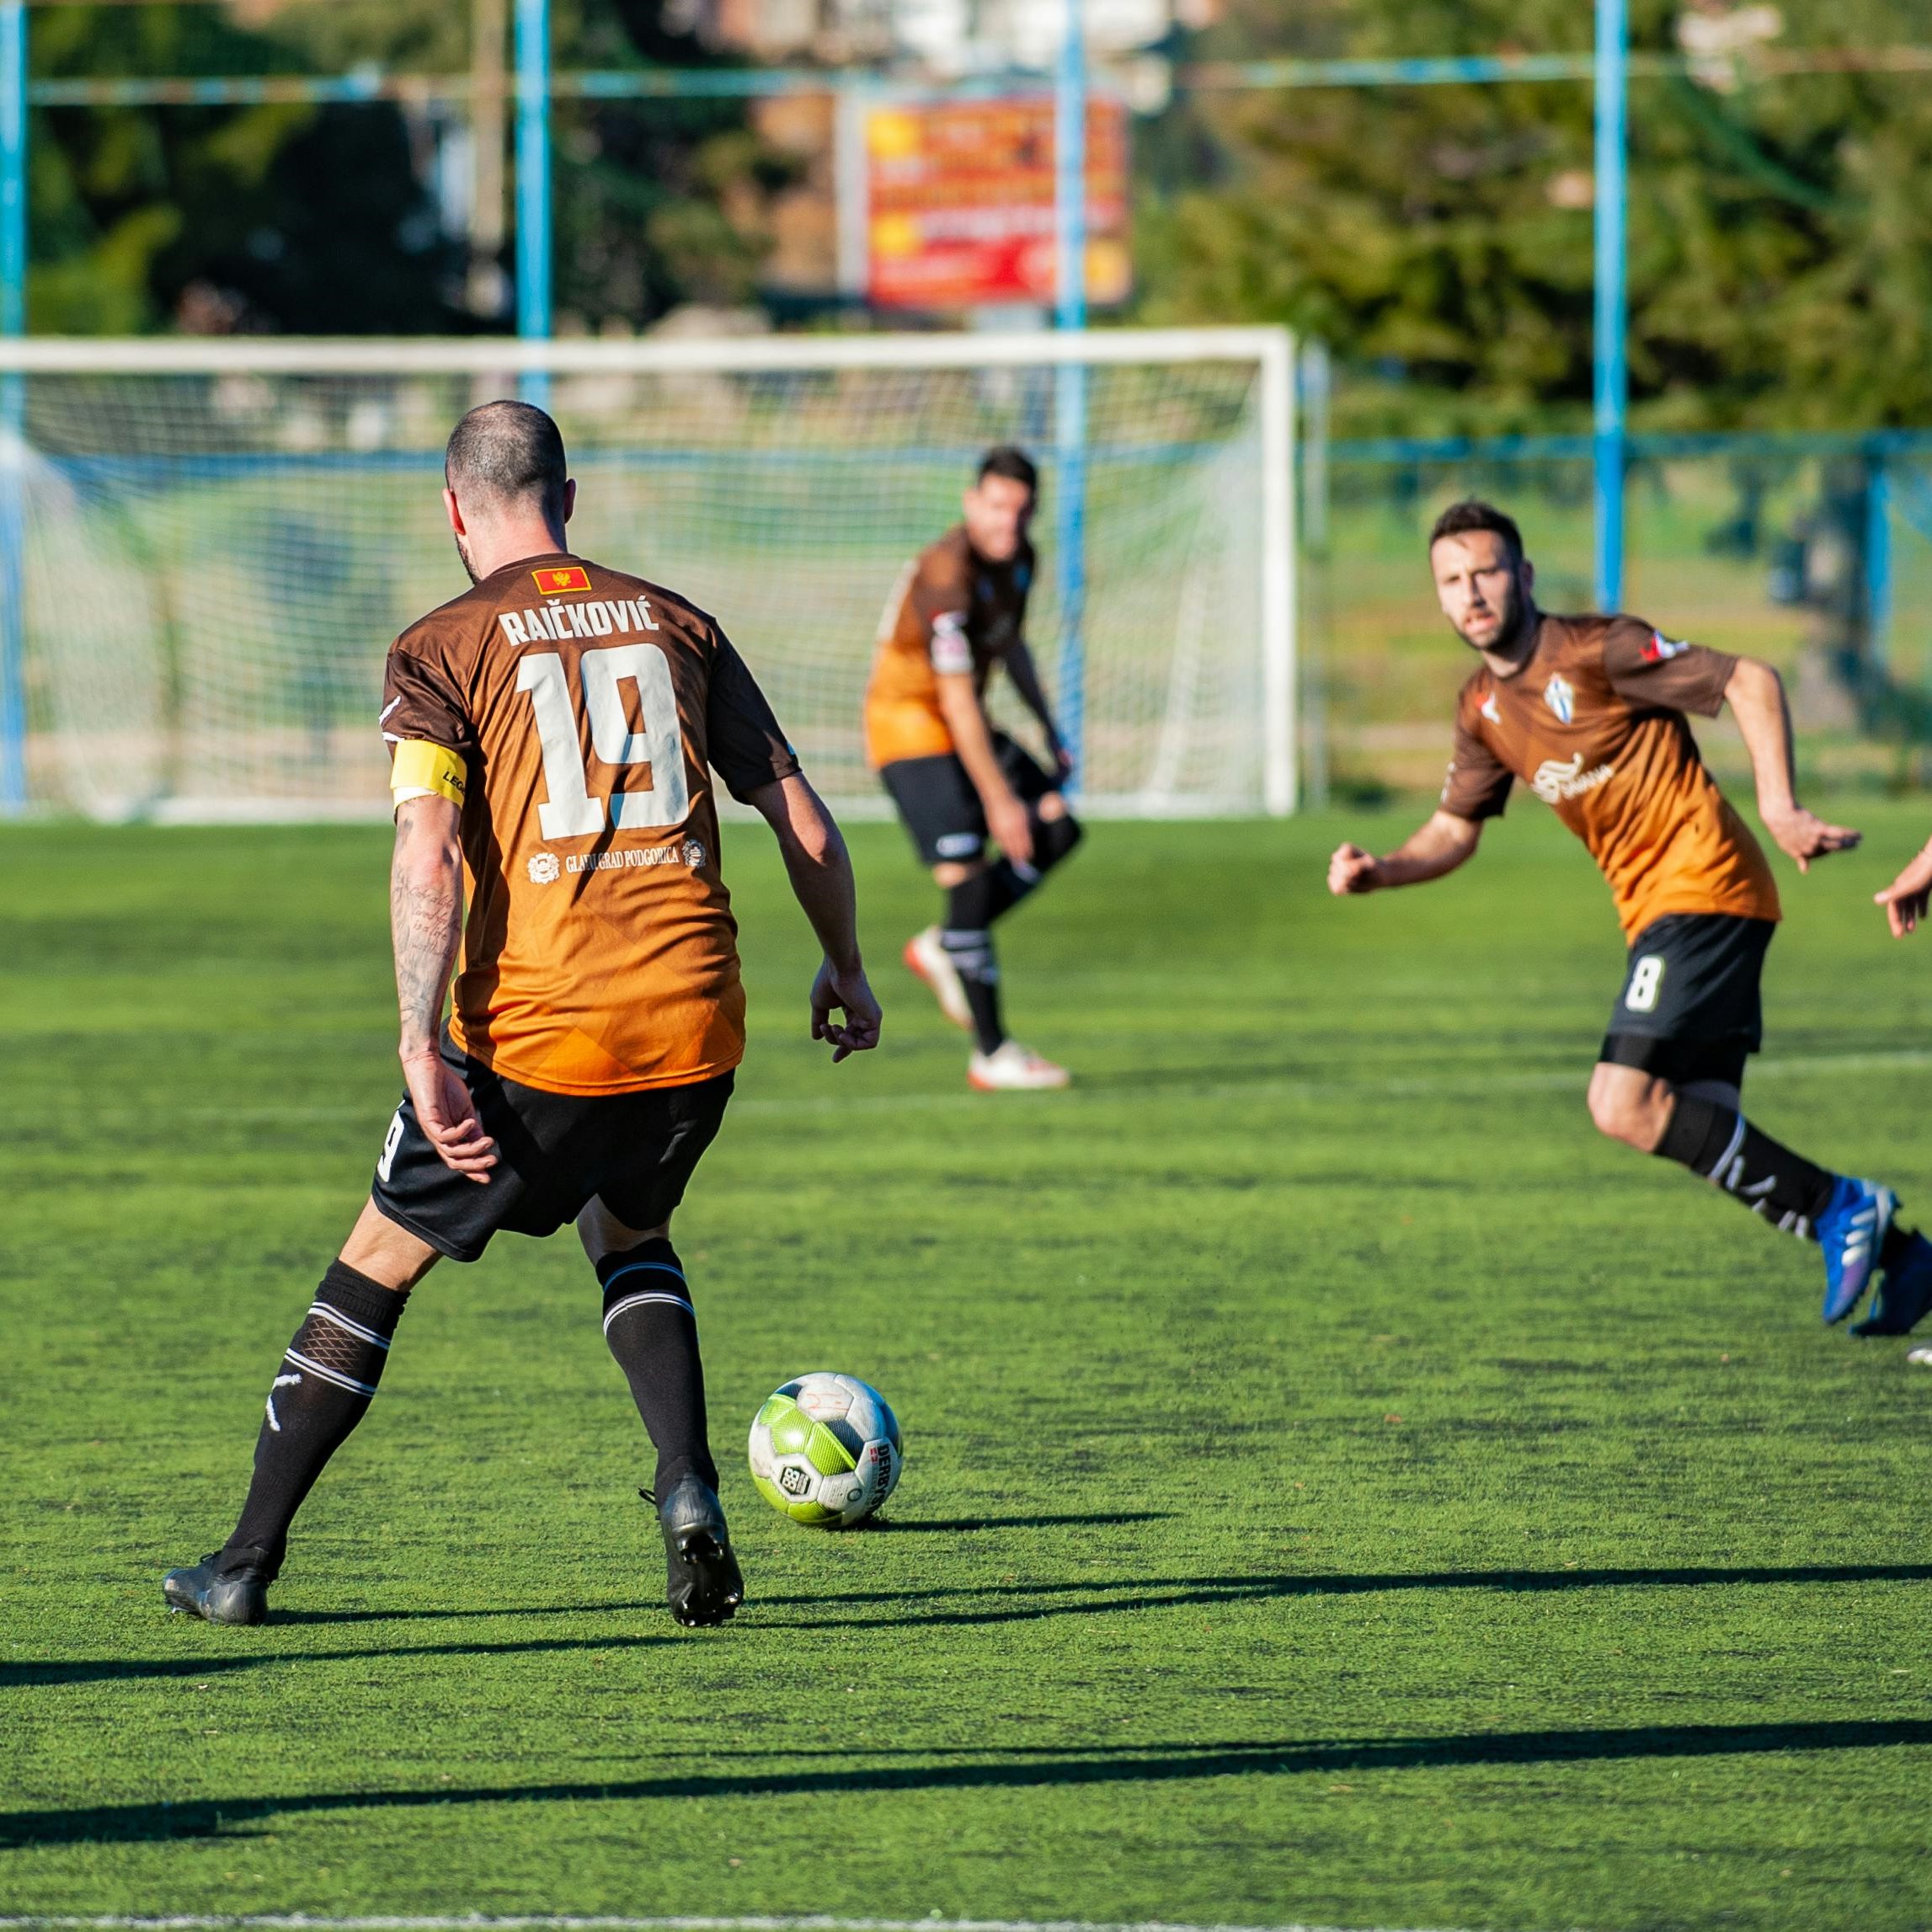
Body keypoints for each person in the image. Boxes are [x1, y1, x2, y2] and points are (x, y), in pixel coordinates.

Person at [163, 401, 882, 1629]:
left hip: (540, 1033)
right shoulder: (677, 622)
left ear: (454, 508)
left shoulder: (440, 646)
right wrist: (846, 967)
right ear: (568, 497)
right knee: (630, 1227)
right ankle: (687, 1485)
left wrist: (416, 1041)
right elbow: (801, 820)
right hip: (695, 1021)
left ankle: (241, 1563)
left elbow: (428, 850)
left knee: (375, 1261)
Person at [1327, 498, 1932, 1337]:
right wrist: (1382, 872)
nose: (1471, 593)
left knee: (1618, 1101)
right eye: (1451, 580)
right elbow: (1453, 829)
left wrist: (1779, 807)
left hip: (1703, 884)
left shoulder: (1597, 650)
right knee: (1695, 1120)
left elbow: (1749, 679)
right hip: (1658, 911)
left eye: (1486, 571)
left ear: (1523, 574)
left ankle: (1844, 1207)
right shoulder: (1481, 708)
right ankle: (1907, 1260)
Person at [863, 446, 1081, 1091]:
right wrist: (999, 800)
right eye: (996, 506)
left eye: (1021, 509)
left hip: (963, 724)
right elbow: (957, 698)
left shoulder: (1021, 560)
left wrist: (1049, 726)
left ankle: (949, 941)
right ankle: (993, 1053)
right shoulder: (945, 575)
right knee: (968, 872)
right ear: (971, 503)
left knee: (1058, 828)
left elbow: (1010, 645)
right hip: (910, 727)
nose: (1007, 521)